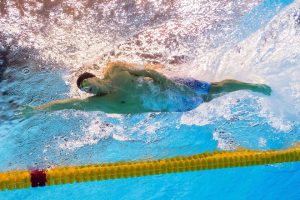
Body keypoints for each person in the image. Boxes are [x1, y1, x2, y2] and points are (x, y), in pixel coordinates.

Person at [25, 62, 271, 115]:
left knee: (213, 88)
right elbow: (66, 105)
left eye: (89, 86)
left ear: (95, 77)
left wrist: (165, 81)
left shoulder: (116, 70)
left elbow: (147, 72)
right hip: (172, 104)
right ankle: (244, 90)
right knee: (207, 100)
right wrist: (37, 109)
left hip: (171, 85)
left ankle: (253, 85)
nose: (90, 93)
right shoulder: (100, 103)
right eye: (87, 92)